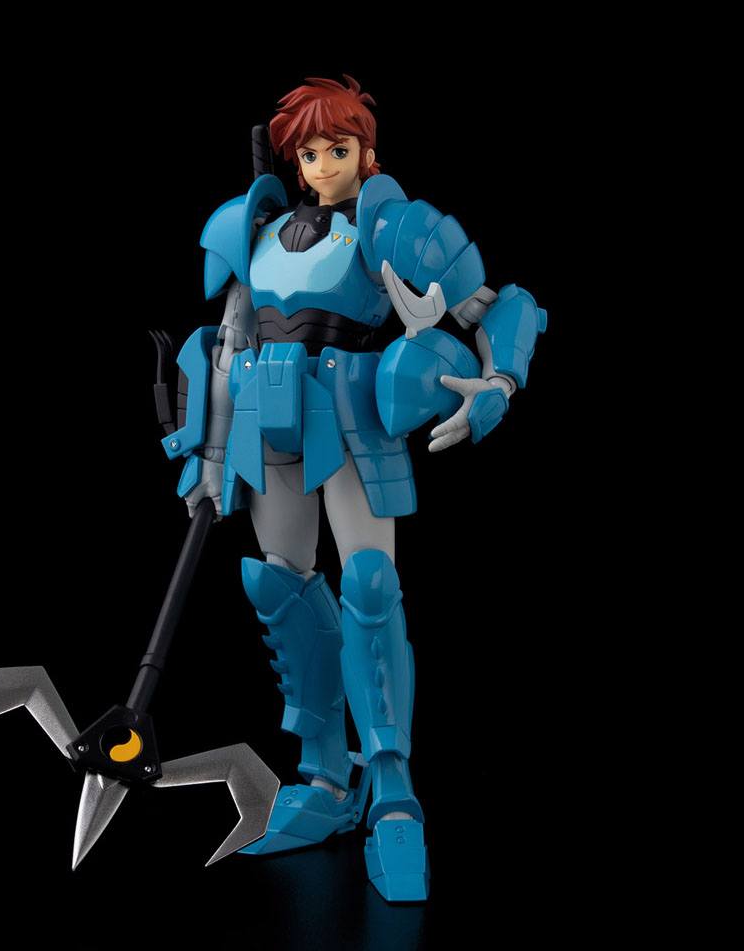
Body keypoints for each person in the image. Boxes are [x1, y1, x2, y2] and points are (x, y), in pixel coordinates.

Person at [161, 74, 547, 902]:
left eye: (338, 148)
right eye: (310, 153)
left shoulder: (390, 231)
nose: (323, 165)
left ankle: (393, 790)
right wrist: (207, 453)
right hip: (269, 423)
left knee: (369, 586)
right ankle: (326, 779)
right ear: (292, 163)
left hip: (353, 423)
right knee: (281, 587)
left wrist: (499, 382)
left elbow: (502, 306)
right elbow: (226, 344)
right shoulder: (255, 235)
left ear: (367, 154)